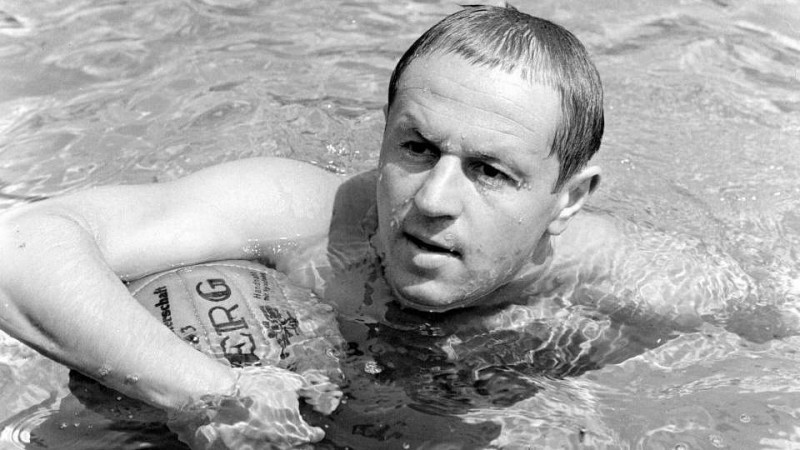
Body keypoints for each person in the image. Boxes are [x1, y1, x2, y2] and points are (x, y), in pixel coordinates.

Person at [0, 3, 780, 448]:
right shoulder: (299, 217)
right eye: (416, 149)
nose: (433, 199)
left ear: (569, 199)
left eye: (490, 171)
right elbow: (22, 245)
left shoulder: (643, 283)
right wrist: (210, 392)